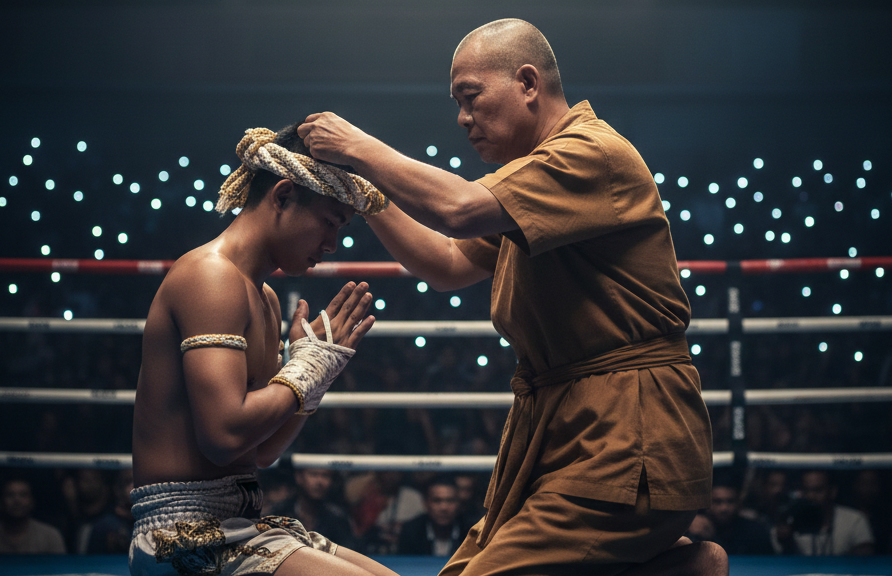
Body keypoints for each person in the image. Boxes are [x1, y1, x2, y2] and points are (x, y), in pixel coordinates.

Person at [298, 17, 726, 576]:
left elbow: (458, 210)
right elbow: (447, 264)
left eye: (471, 97)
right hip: (568, 432)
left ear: (528, 82)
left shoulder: (590, 154)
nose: (462, 118)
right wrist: (367, 190)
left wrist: (359, 148)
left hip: (626, 435)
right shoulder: (530, 183)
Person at [129, 125, 397, 576]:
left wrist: (315, 379)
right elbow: (222, 437)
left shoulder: (266, 298)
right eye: (330, 222)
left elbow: (263, 450)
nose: (332, 245)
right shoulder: (210, 277)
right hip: (178, 536)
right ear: (284, 195)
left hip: (241, 524)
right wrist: (303, 374)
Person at [774, 470, 874, 556]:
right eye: (806, 490)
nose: (811, 496)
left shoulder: (854, 519)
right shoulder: (791, 521)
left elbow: (866, 559)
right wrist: (787, 542)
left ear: (832, 492)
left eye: (818, 490)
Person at [0, 477, 67, 554]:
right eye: (10, 495)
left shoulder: (50, 537)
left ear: (32, 502)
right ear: (0, 502)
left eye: (23, 495)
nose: (17, 500)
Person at [268, 468, 358, 551]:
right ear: (299, 477)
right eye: (313, 474)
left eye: (325, 475)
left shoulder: (338, 519)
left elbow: (346, 554)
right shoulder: (280, 513)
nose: (319, 481)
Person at [687, 474, 773, 555]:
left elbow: (770, 563)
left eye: (730, 501)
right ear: (706, 503)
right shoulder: (695, 530)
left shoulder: (755, 532)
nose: (724, 508)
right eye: (717, 502)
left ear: (739, 503)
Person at [398, 476, 469, 556]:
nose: (444, 508)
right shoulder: (411, 532)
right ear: (426, 503)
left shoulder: (471, 533)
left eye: (450, 500)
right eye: (437, 501)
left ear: (458, 503)